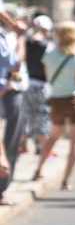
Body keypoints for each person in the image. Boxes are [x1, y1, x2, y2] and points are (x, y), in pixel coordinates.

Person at [34, 21, 75, 191]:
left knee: (53, 137)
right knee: (74, 142)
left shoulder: (49, 55)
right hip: (74, 100)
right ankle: (66, 180)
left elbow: (48, 77)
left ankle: (39, 169)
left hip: (56, 99)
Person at [0, 10, 27, 206]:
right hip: (8, 94)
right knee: (8, 143)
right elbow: (14, 64)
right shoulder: (7, 37)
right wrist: (21, 38)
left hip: (8, 92)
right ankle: (2, 187)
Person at [22, 15, 54, 157]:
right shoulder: (47, 46)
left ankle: (22, 145)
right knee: (42, 116)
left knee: (26, 115)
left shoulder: (25, 43)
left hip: (26, 84)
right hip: (42, 85)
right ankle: (42, 147)